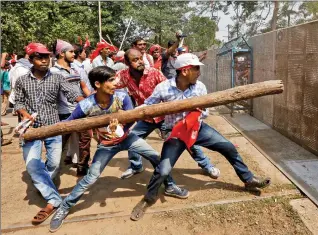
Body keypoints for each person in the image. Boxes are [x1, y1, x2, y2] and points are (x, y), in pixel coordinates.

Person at [130, 53, 271, 221]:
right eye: (196, 68)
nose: (199, 72)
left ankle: (248, 179)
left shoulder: (200, 87)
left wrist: (195, 112)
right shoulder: (163, 88)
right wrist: (129, 114)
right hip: (176, 134)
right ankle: (148, 198)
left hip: (198, 129)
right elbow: (149, 105)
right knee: (163, 170)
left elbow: (205, 112)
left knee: (228, 147)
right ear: (184, 71)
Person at [49, 66, 188, 232]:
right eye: (111, 80)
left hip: (127, 138)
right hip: (107, 145)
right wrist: (51, 128)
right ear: (97, 84)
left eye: (115, 79)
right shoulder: (86, 105)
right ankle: (65, 207)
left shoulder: (122, 97)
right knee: (91, 177)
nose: (116, 83)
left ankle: (170, 185)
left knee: (157, 158)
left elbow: (131, 117)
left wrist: (122, 128)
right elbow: (70, 123)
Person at [116, 49, 220, 179]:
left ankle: (207, 165)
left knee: (186, 141)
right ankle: (136, 166)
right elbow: (110, 86)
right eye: (135, 60)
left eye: (140, 58)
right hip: (145, 116)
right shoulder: (123, 75)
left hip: (165, 118)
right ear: (126, 62)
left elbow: (171, 87)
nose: (140, 62)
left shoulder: (154, 73)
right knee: (132, 138)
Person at [14, 42, 84, 224]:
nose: (45, 60)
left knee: (53, 165)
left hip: (53, 127)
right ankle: (54, 199)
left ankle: (43, 185)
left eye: (47, 56)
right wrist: (24, 114)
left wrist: (86, 102)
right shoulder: (22, 80)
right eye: (40, 57)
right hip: (31, 130)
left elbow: (71, 94)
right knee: (32, 165)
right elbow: (19, 102)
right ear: (31, 59)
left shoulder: (57, 78)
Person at [50, 39, 93, 176]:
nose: (74, 54)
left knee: (85, 140)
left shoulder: (76, 68)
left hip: (80, 109)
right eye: (71, 52)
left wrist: (91, 101)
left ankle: (83, 167)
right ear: (62, 53)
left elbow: (84, 87)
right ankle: (51, 171)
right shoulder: (52, 72)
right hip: (63, 112)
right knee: (59, 143)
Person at [8, 50, 32, 118]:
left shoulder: (15, 68)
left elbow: (10, 80)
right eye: (28, 56)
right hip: (23, 98)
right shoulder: (23, 69)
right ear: (25, 57)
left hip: (17, 95)